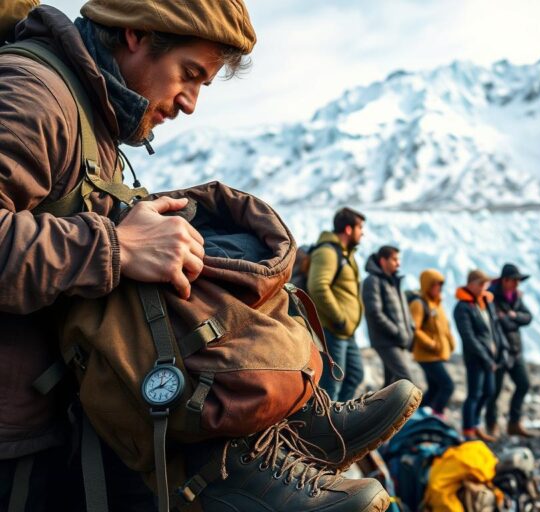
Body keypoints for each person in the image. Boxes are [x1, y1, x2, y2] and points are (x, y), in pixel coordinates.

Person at [0, 4, 416, 510]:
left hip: (63, 409)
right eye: (190, 74)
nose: (191, 103)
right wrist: (117, 246)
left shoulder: (93, 113)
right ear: (135, 34)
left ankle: (287, 423)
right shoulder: (34, 93)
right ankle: (240, 464)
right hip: (18, 436)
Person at [309, 207, 366, 402]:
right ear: (348, 229)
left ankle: (339, 419)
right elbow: (317, 287)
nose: (363, 233)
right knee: (331, 384)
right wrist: (339, 318)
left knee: (355, 375)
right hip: (333, 329)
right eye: (360, 228)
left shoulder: (345, 253)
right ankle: (326, 426)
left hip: (345, 332)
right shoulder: (327, 252)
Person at [486, 264, 534, 438]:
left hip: (515, 350)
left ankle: (514, 422)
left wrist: (512, 317)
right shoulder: (491, 297)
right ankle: (491, 424)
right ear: (505, 280)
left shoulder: (515, 297)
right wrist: (514, 319)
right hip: (498, 352)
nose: (516, 284)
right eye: (514, 281)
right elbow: (497, 323)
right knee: (494, 391)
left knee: (523, 384)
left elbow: (527, 317)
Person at [454, 269, 501, 442]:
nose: (484, 287)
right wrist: (485, 356)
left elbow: (493, 328)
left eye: (485, 284)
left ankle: (475, 424)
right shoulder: (462, 307)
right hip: (475, 357)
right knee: (474, 393)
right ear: (471, 284)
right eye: (481, 284)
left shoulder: (485, 302)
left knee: (488, 392)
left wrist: (497, 348)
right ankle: (468, 429)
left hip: (489, 356)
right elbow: (469, 337)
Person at [362, 245, 415, 386]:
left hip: (398, 340)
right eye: (394, 259)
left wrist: (410, 330)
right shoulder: (372, 281)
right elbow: (374, 312)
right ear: (383, 261)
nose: (398, 263)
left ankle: (380, 408)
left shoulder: (394, 281)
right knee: (406, 381)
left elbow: (404, 311)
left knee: (391, 385)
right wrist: (397, 332)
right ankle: (406, 409)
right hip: (386, 340)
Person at [411, 269, 456, 417]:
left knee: (435, 388)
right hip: (426, 355)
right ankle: (436, 414)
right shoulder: (419, 304)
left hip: (436, 354)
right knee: (447, 385)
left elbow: (445, 328)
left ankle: (415, 415)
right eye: (436, 284)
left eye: (440, 285)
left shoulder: (437, 304)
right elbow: (415, 329)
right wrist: (431, 344)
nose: (439, 288)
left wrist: (451, 343)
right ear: (427, 285)